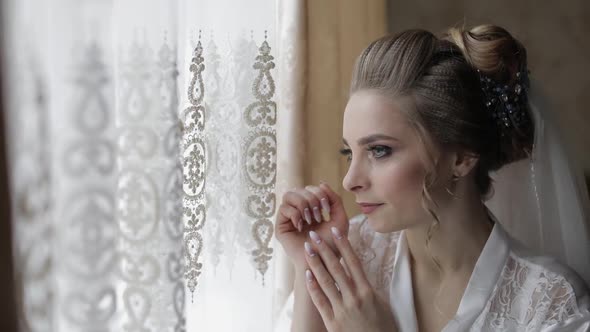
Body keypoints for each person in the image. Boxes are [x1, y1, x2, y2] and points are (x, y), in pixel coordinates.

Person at [274, 25, 590, 331]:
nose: (349, 180)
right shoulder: (349, 254)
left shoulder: (550, 302)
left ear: (463, 157)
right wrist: (311, 266)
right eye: (349, 153)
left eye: (380, 150)